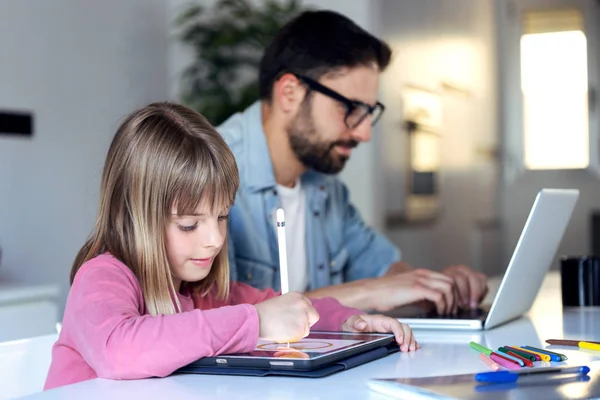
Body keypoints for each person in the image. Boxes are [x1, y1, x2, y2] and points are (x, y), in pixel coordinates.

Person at [44, 102, 418, 390]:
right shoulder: (102, 276)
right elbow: (118, 351)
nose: (215, 239)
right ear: (134, 216)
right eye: (190, 224)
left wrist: (349, 321)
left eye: (221, 217)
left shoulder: (204, 290)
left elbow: (282, 304)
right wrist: (254, 323)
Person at [218, 10, 488, 316]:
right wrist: (368, 291)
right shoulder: (206, 172)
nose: (364, 132)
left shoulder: (323, 184)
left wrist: (434, 285)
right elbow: (218, 318)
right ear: (289, 93)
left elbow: (383, 268)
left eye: (369, 112)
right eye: (350, 108)